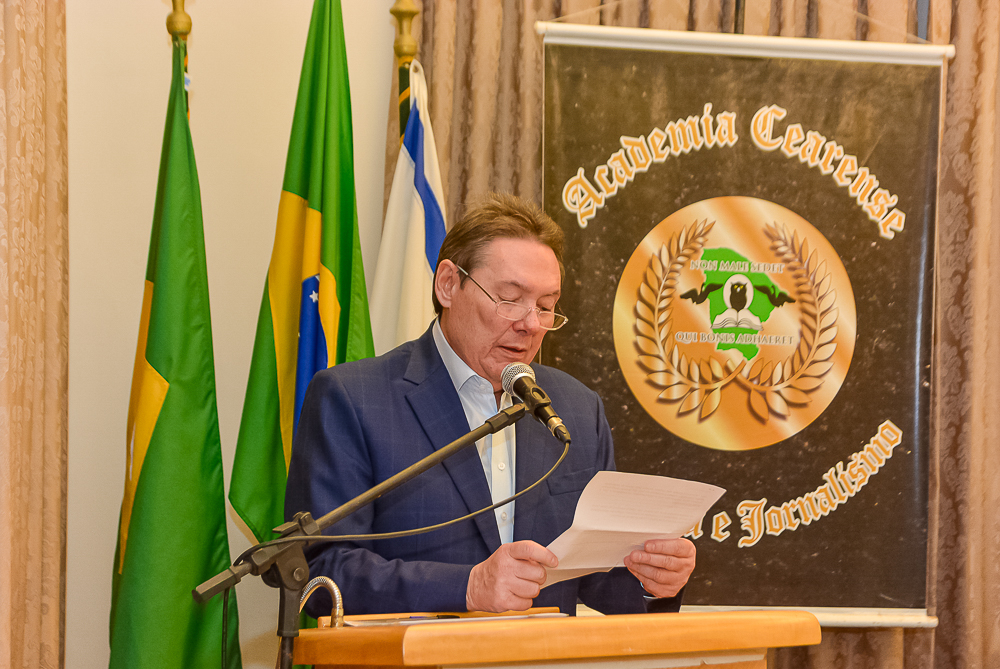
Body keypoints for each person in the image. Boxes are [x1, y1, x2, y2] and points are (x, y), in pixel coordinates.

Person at [286, 192, 695, 617]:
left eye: (546, 307)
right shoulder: (354, 398)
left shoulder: (575, 409)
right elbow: (319, 573)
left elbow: (596, 579)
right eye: (510, 299)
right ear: (448, 284)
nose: (530, 324)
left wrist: (654, 580)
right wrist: (466, 587)